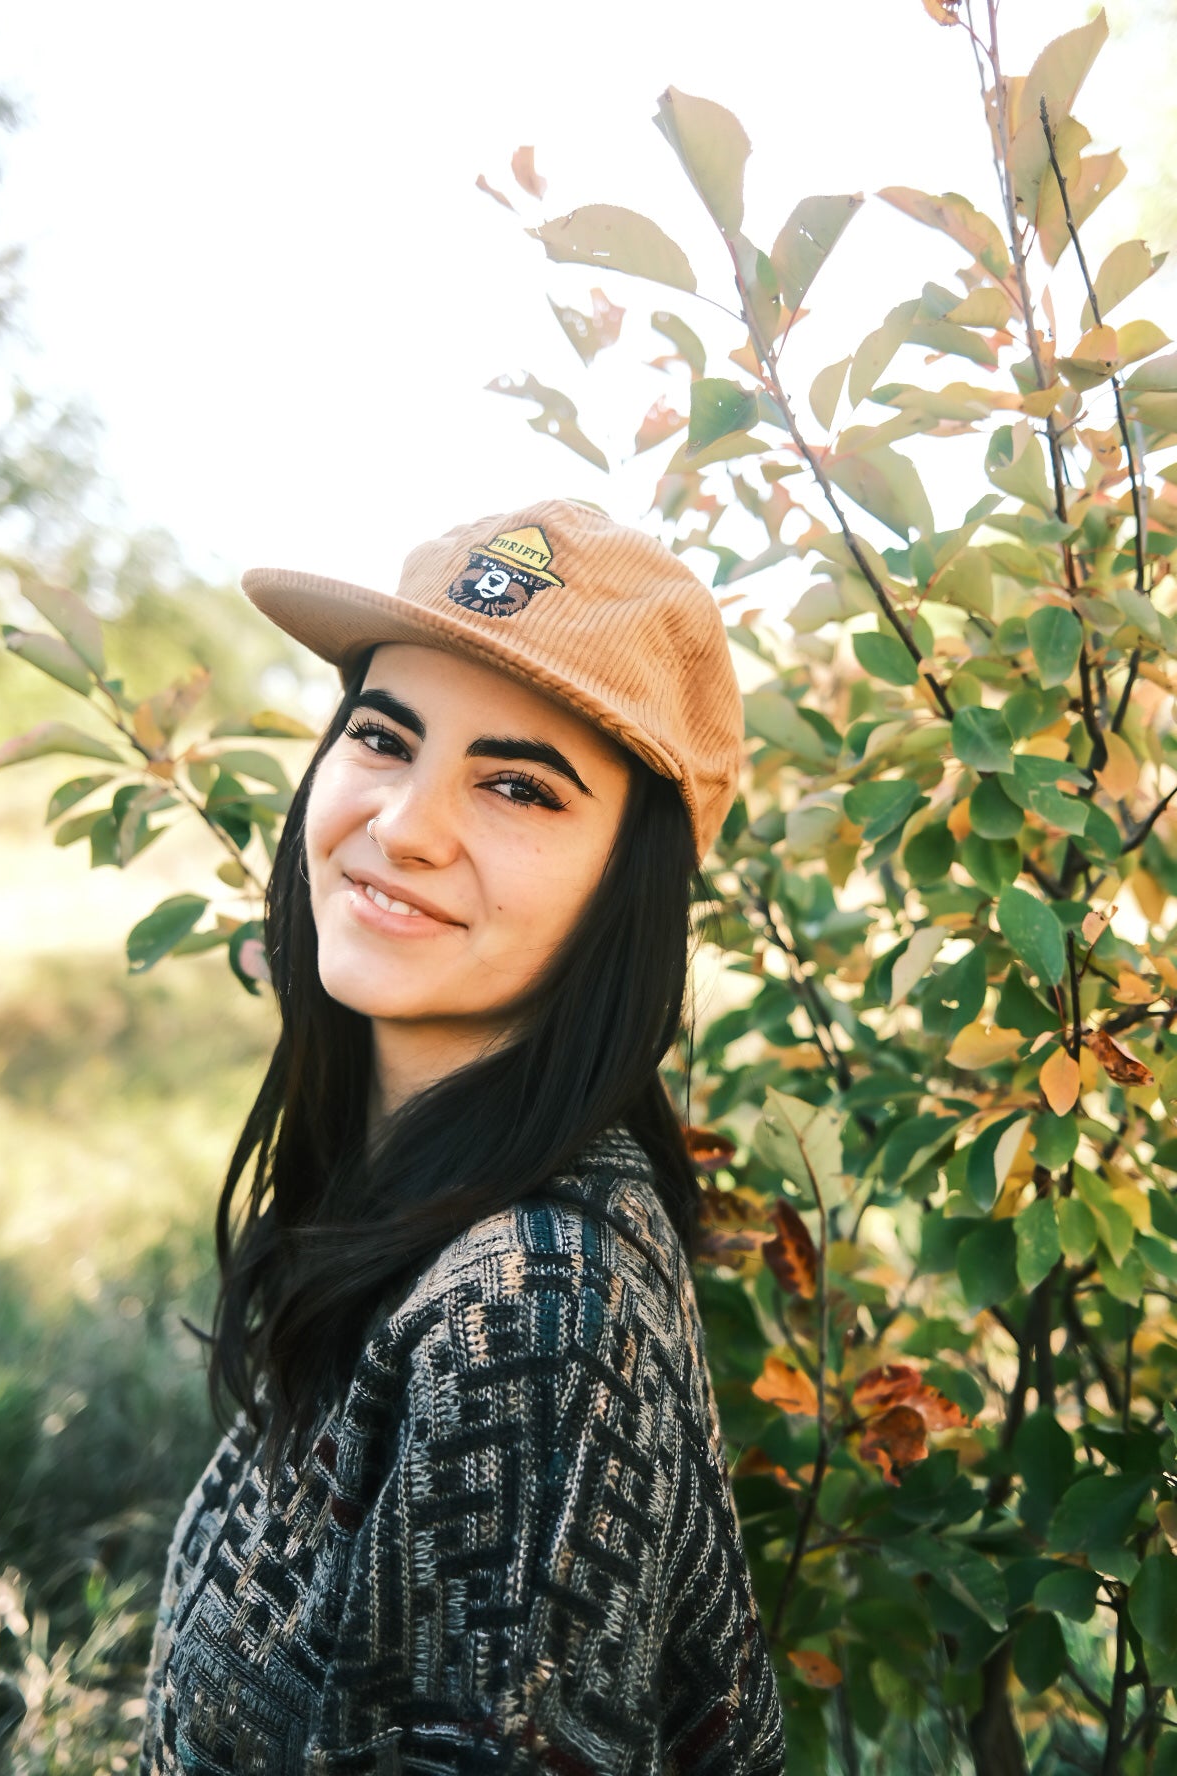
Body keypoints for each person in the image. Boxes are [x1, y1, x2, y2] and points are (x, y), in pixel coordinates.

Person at [140, 499, 787, 1775]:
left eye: (514, 785)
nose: (404, 826)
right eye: (384, 737)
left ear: (628, 883)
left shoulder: (536, 1317)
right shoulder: (406, 1208)